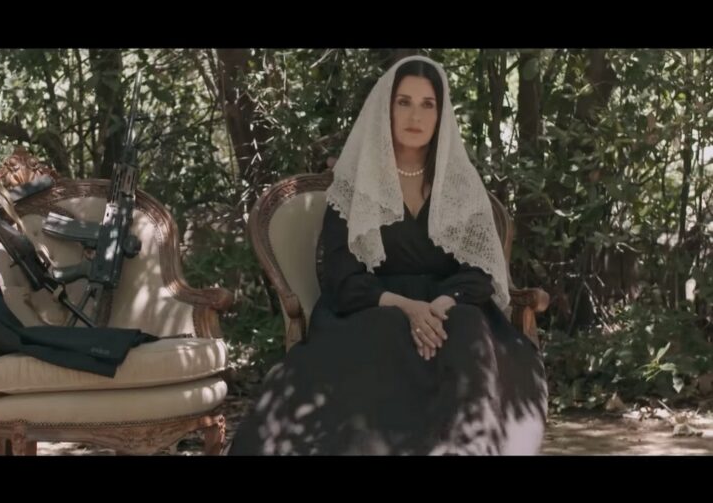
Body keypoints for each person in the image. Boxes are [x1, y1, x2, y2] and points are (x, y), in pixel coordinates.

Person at [228, 55, 548, 455]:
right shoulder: (353, 186)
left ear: (441, 115)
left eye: (427, 104)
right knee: (385, 331)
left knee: (467, 326)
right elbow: (341, 276)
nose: (415, 115)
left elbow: (480, 269)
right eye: (404, 102)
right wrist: (407, 308)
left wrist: (440, 304)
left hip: (449, 307)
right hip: (372, 308)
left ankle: (466, 447)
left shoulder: (461, 186)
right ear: (387, 109)